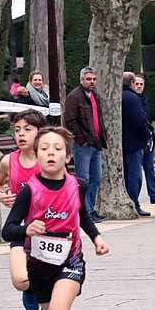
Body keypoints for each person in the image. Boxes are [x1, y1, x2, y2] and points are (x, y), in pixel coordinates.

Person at [1, 127, 110, 310]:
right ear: (36, 155)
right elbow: (7, 230)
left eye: (57, 148)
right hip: (39, 268)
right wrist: (28, 228)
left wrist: (96, 238)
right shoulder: (29, 191)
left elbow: (82, 214)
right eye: (45, 148)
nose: (51, 153)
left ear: (68, 155)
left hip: (70, 261)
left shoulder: (77, 185)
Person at [0, 109, 55, 310]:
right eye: (17, 130)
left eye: (27, 129)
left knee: (47, 292)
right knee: (21, 280)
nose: (20, 134)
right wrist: (1, 196)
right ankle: (27, 289)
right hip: (19, 229)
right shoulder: (9, 161)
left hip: (47, 230)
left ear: (39, 132)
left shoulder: (49, 160)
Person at [63, 67, 108, 223]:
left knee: (96, 178)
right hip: (83, 144)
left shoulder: (95, 95)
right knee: (83, 179)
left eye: (94, 79)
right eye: (88, 79)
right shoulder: (74, 97)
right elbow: (69, 121)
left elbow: (98, 117)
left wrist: (101, 137)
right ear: (81, 80)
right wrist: (81, 139)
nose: (92, 82)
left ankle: (90, 209)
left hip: (96, 142)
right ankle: (83, 211)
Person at [133, 75, 155, 206]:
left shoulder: (144, 100)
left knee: (149, 167)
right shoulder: (132, 100)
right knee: (135, 172)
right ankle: (135, 198)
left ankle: (154, 193)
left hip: (147, 137)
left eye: (141, 84)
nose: (139, 86)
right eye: (137, 84)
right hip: (137, 139)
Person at [121, 72, 152, 217]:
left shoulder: (117, 96)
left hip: (121, 142)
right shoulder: (133, 98)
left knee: (126, 174)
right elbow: (139, 121)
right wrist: (146, 135)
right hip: (134, 142)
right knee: (134, 175)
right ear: (132, 83)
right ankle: (134, 203)